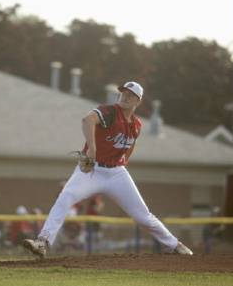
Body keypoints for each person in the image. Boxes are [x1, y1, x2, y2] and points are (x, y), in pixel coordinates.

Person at [23, 81, 193, 258]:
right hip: (91, 171)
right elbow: (87, 120)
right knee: (66, 197)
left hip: (116, 173)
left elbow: (131, 143)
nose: (125, 97)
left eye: (130, 95)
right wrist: (92, 149)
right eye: (123, 93)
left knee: (143, 216)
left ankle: (175, 245)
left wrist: (124, 161)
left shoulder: (136, 125)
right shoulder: (110, 112)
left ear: (138, 101)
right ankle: (43, 242)